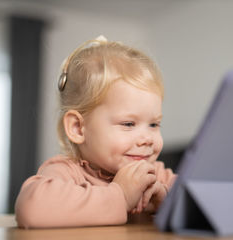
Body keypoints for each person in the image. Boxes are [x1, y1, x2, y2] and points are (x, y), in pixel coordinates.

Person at [15, 36, 176, 229]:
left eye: (154, 124)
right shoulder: (68, 172)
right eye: (128, 123)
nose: (147, 139)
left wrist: (166, 202)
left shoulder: (154, 174)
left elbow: (207, 200)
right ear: (78, 128)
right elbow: (31, 209)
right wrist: (121, 196)